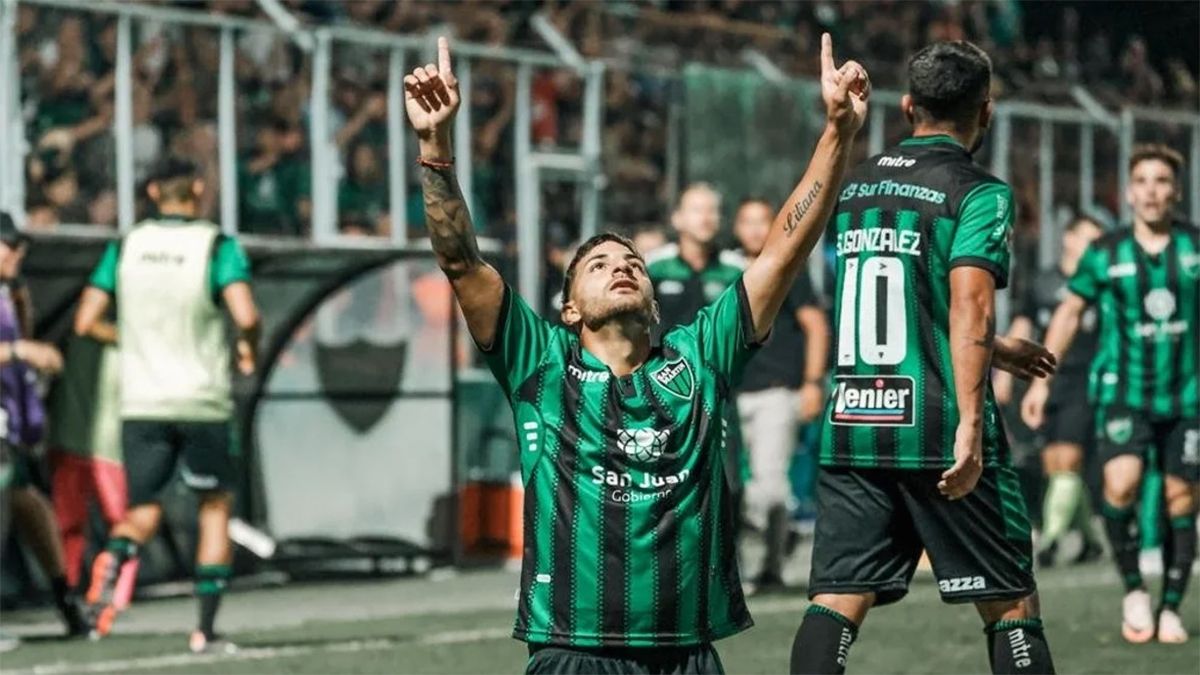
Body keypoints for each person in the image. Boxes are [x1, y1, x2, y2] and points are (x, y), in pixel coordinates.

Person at [404, 35, 868, 673]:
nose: (620, 268)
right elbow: (460, 260)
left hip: (686, 656)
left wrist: (838, 131)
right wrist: (435, 148)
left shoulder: (699, 356)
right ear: (569, 310)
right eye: (598, 265)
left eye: (632, 264)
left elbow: (783, 252)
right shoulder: (538, 362)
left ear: (653, 302)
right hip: (574, 652)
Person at [790, 41, 1059, 675]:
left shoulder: (856, 187)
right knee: (1009, 598)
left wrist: (992, 350)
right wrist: (971, 425)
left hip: (856, 426)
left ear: (908, 105)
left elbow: (902, 303)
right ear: (985, 111)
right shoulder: (979, 193)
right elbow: (969, 305)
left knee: (836, 599)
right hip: (937, 426)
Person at [74, 158, 261, 653]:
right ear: (198, 189)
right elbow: (245, 313)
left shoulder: (127, 245)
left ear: (154, 191)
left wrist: (133, 340)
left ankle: (112, 561)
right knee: (214, 508)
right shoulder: (215, 245)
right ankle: (205, 629)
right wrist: (248, 346)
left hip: (142, 402)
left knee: (142, 511)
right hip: (202, 401)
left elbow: (85, 321)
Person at [1022, 144, 1198, 645]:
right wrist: (1042, 378)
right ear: (1129, 191)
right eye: (1142, 181)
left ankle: (1170, 608)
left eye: (1161, 181)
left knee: (1181, 497)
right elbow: (1069, 313)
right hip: (1125, 393)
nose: (1151, 191)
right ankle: (1135, 590)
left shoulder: (1194, 247)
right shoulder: (1106, 253)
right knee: (1120, 486)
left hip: (1188, 397)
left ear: (1176, 191)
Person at [730, 197, 829, 594]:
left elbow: (816, 325)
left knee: (768, 489)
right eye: (747, 221)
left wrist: (812, 383)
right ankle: (736, 568)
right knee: (729, 487)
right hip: (729, 396)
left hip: (776, 392)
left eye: (762, 221)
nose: (755, 229)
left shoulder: (787, 268)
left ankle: (770, 566)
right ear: (736, 227)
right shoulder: (726, 270)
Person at [995, 215, 1106, 567]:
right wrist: (1003, 377)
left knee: (1068, 459)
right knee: (1055, 464)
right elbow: (1023, 322)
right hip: (1045, 380)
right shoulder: (1043, 283)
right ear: (1069, 240)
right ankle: (1090, 541)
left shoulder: (1102, 283)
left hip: (1085, 381)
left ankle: (1050, 541)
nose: (1095, 248)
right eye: (1088, 239)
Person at [0, 211, 90, 639]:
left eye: (19, 244)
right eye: (8, 244)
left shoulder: (8, 292)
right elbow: (16, 350)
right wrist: (21, 351)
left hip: (7, 423)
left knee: (26, 502)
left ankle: (65, 598)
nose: (18, 252)